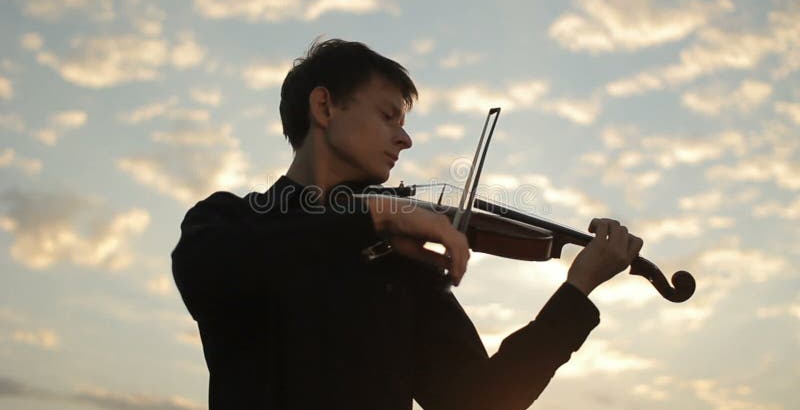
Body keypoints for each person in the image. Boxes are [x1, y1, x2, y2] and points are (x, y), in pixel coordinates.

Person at [171, 39, 644, 410]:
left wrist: (576, 292)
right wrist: (375, 214)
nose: (406, 138)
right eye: (387, 115)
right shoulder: (230, 221)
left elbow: (479, 401)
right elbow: (211, 271)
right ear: (324, 107)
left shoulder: (399, 260)